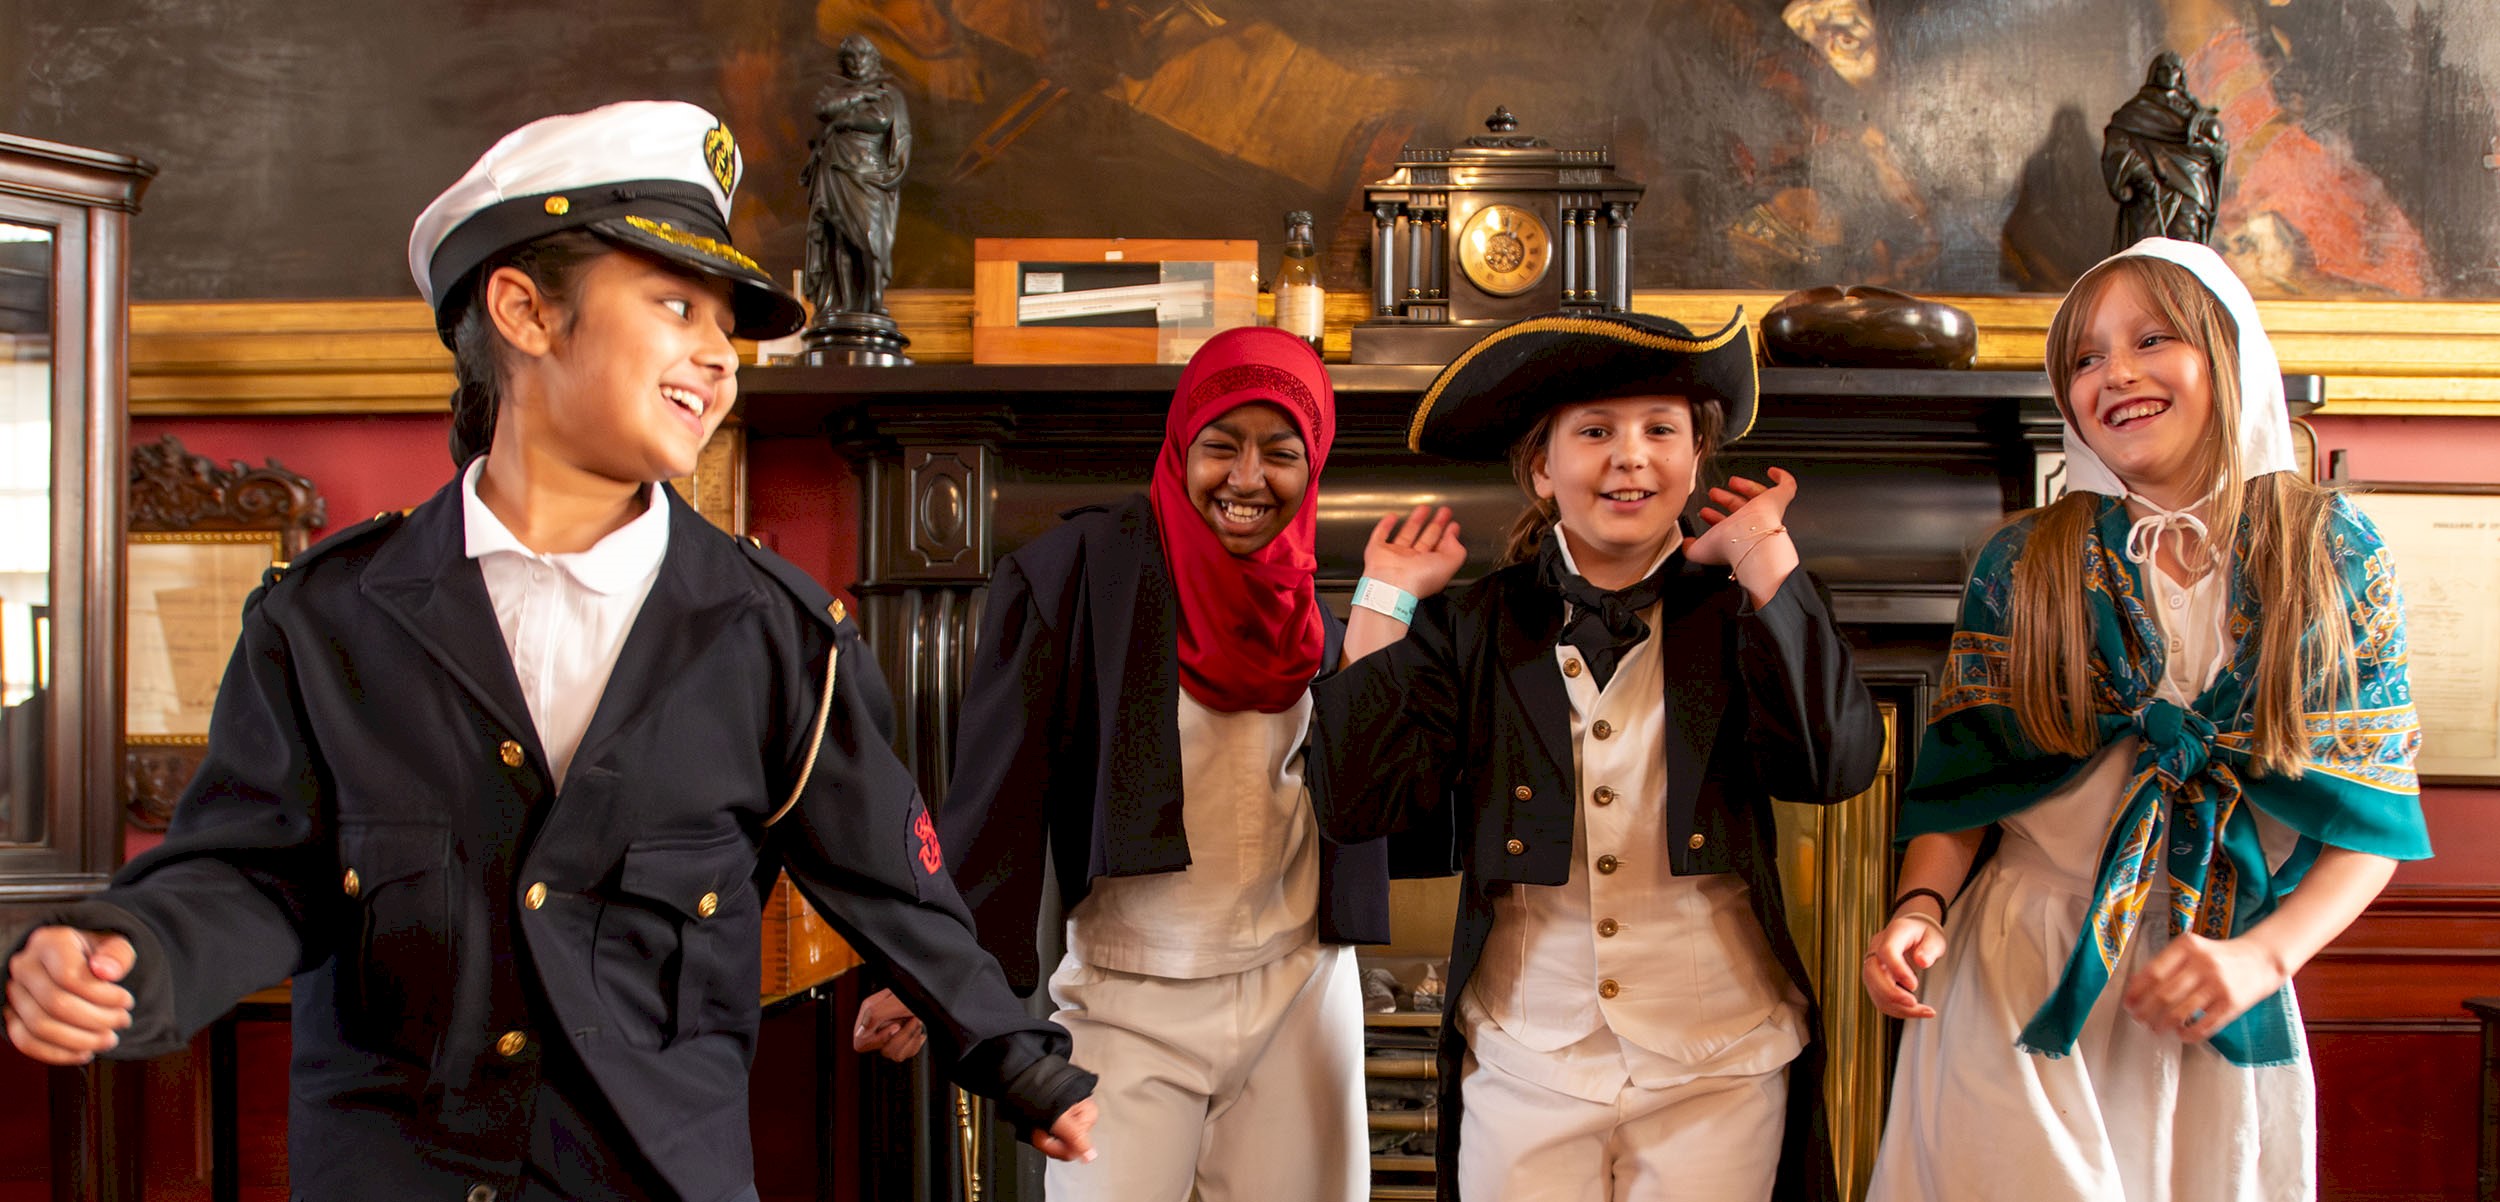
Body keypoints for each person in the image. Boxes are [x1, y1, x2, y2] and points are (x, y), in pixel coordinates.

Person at [0, 100, 1095, 1201]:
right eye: (676, 305)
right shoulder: (326, 620)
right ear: (522, 309)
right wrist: (128, 953)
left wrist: (1021, 1063)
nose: (718, 356)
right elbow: (254, 872)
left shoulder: (779, 638)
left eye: (728, 326)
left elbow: (895, 891)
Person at [1861, 237, 2431, 1202]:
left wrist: (2262, 957)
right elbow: (1961, 788)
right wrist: (1919, 909)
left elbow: (2374, 815)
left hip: (2215, 968)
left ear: (2228, 352)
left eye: (2151, 339)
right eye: (2084, 358)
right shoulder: (2028, 561)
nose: (2114, 374)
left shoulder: (2327, 553)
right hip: (2021, 969)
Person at [1307, 310, 1885, 1202]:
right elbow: (1357, 806)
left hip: (1719, 1062)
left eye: (1661, 430)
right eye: (1594, 432)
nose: (1630, 455)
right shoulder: (1476, 622)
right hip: (1524, 1062)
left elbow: (1836, 766)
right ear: (1543, 467)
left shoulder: (1742, 613)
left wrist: (1769, 562)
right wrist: (1381, 609)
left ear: (1696, 461)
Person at [856, 325, 1415, 1201]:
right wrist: (934, 982)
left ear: (1315, 466)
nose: (1246, 478)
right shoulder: (1074, 575)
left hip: (1301, 994)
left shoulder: (1323, 609)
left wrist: (1387, 613)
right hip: (1128, 1000)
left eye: (1281, 452)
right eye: (1220, 446)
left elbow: (1377, 791)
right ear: (1179, 446)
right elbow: (994, 804)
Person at [804, 33, 911, 318]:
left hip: (866, 172)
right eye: (848, 58)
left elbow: (884, 122)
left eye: (860, 56)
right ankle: (842, 303)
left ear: (873, 59)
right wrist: (859, 95)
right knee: (838, 238)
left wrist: (845, 119)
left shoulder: (889, 93)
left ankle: (874, 301)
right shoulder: (837, 89)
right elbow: (822, 109)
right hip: (835, 169)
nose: (854, 63)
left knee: (869, 237)